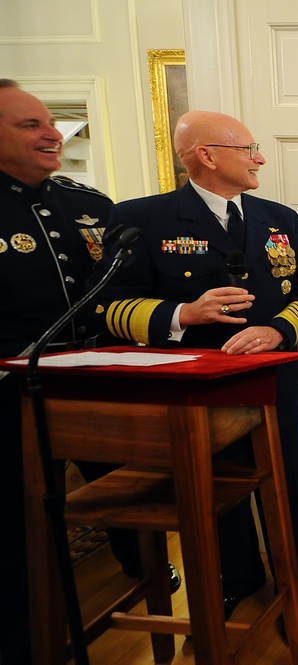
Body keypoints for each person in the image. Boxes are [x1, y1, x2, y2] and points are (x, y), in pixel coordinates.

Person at [91, 110, 298, 633]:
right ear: (208, 155)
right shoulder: (141, 219)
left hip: (270, 384)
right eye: (249, 149)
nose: (260, 157)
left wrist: (279, 331)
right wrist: (182, 314)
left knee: (285, 493)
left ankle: (295, 590)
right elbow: (105, 307)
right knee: (212, 496)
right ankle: (233, 580)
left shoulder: (278, 218)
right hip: (195, 391)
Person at [0, 80, 179, 663]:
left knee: (136, 503)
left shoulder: (89, 205)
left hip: (101, 387)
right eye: (29, 124)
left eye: (49, 120)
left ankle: (148, 582)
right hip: (13, 397)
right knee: (22, 536)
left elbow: (126, 291)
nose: (52, 132)